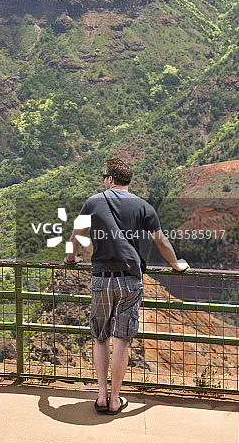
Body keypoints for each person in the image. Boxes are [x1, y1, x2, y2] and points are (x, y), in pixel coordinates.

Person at [64, 157, 189, 415]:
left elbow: (76, 236)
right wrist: (176, 264)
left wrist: (70, 259)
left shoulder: (94, 202)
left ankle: (100, 396)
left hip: (101, 278)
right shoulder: (143, 207)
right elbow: (161, 241)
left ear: (110, 179)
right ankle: (115, 400)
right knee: (121, 339)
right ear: (127, 180)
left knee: (100, 337)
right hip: (131, 279)